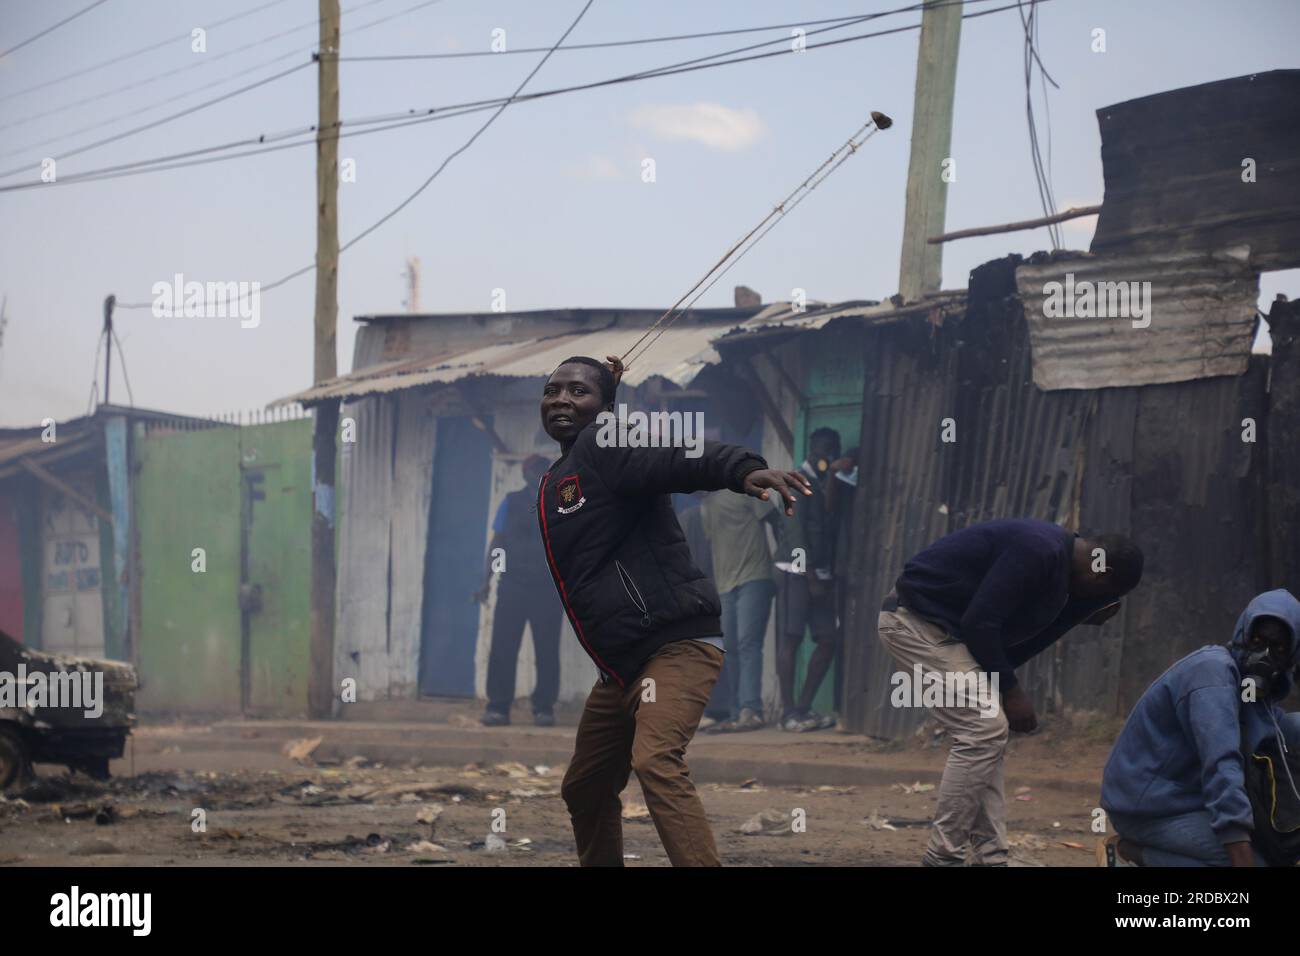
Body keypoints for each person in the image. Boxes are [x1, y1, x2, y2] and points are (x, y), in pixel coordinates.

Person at [538, 354, 810, 866]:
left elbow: (676, 457)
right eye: (553, 390)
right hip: (620, 668)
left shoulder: (604, 443)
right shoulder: (558, 479)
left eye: (578, 391)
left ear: (604, 408)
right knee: (586, 787)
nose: (561, 400)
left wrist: (740, 469)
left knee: (657, 759)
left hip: (674, 646)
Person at [877, 518, 1143, 866]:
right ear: (1099, 576)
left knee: (988, 733)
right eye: (1107, 593)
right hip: (914, 623)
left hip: (949, 635)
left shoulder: (1067, 584)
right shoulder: (1038, 549)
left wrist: (1079, 612)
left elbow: (1012, 644)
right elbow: (980, 622)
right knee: (983, 729)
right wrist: (1011, 691)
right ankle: (943, 858)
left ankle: (991, 857)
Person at [1098, 589, 1300, 867]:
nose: (1264, 655)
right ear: (1243, 634)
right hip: (1148, 807)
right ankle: (1129, 857)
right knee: (1252, 862)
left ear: (1290, 657)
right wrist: (1239, 845)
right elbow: (1222, 764)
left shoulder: (1253, 694)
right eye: (1258, 640)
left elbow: (1279, 735)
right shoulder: (1212, 674)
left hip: (1189, 798)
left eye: (1277, 649)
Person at [476, 454, 561, 727]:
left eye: (543, 471)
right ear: (524, 475)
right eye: (533, 471)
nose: (538, 475)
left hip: (548, 589)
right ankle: (498, 707)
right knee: (503, 647)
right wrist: (486, 581)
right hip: (512, 586)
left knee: (547, 650)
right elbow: (497, 543)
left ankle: (544, 708)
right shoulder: (511, 503)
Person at [773, 427, 842, 732]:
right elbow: (795, 531)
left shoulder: (828, 483)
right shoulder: (796, 481)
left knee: (828, 639)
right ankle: (788, 713)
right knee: (791, 638)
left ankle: (803, 708)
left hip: (821, 573)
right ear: (812, 449)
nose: (827, 456)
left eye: (832, 451)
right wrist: (810, 574)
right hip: (795, 570)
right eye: (823, 450)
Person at [699, 487, 775, 733]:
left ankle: (751, 709)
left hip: (754, 577)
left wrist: (787, 565)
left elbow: (778, 520)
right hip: (725, 584)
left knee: (747, 643)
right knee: (729, 647)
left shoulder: (747, 491)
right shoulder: (706, 506)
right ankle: (736, 711)